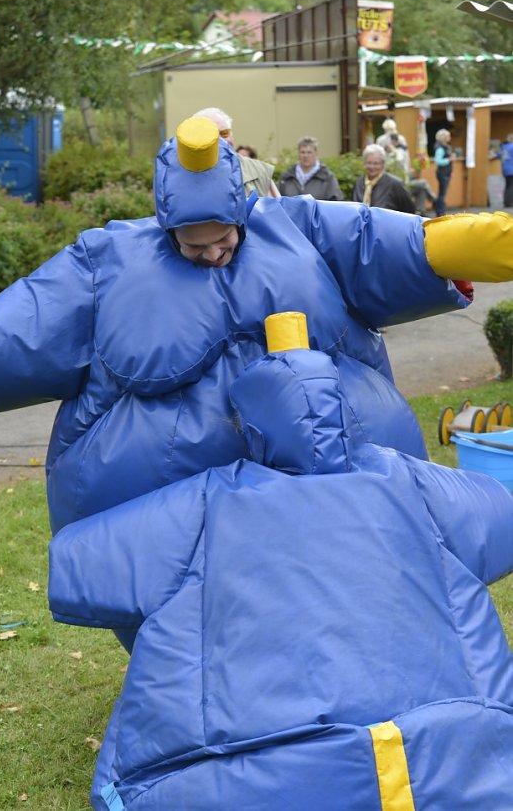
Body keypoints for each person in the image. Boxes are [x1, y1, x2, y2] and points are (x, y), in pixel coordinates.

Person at [0, 116, 512, 585]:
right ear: (167, 230)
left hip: (332, 462)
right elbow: (16, 327)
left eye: (224, 240)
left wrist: (473, 245)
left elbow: (391, 244)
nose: (213, 255)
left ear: (240, 214)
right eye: (195, 247)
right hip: (172, 509)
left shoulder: (297, 228)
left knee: (351, 570)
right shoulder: (106, 264)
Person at [49, 312, 513, 810]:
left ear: (249, 427)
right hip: (456, 748)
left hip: (235, 777)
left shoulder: (203, 504)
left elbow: (75, 566)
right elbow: (500, 515)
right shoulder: (410, 481)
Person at [192, 106, 279, 198]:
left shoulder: (259, 172)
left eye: (224, 134)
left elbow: (276, 210)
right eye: (210, 136)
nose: (221, 141)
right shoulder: (182, 176)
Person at [352, 144, 415, 213]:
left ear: (383, 164)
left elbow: (409, 211)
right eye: (369, 163)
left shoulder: (395, 184)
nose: (372, 167)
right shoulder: (359, 182)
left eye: (376, 163)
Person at [277, 135, 343, 200]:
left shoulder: (327, 178)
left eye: (309, 152)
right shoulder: (286, 177)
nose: (305, 156)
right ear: (298, 154)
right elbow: (277, 200)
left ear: (316, 153)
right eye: (302, 152)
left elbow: (336, 203)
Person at [433, 128, 455, 216]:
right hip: (442, 173)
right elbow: (438, 161)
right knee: (442, 193)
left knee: (442, 193)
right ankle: (440, 212)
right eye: (448, 136)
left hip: (447, 172)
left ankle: (440, 210)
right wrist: (449, 159)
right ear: (443, 137)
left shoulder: (446, 147)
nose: (449, 137)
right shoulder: (440, 148)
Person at [498, 133, 513, 208]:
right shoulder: (512, 147)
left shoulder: (503, 147)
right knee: (511, 186)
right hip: (512, 169)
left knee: (508, 185)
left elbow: (498, 155)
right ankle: (508, 203)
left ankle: (506, 202)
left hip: (505, 169)